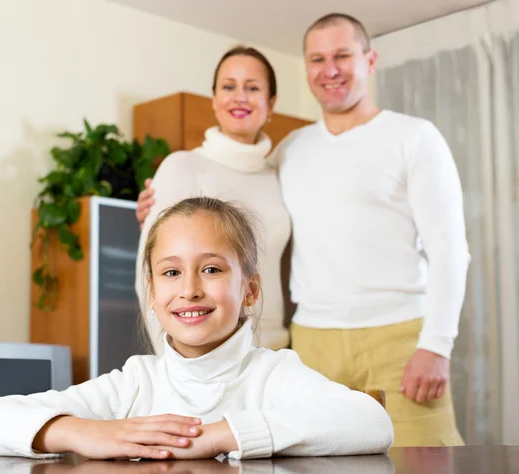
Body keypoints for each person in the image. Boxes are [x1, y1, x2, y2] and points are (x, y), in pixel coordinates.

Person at [136, 14, 470, 447]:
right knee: (315, 462)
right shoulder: (291, 149)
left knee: (422, 459)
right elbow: (226, 192)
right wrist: (154, 204)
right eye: (317, 59)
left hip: (399, 336)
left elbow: (449, 250)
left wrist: (437, 345)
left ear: (370, 60)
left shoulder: (414, 137)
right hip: (310, 344)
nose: (329, 69)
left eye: (342, 56)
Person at [0, 197, 394, 460]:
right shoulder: (134, 383)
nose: (189, 290)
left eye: (210, 269)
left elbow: (372, 422)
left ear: (250, 290)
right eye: (170, 273)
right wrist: (88, 432)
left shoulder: (273, 374)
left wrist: (220, 436)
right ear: (150, 292)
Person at [135, 45, 291, 355]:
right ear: (215, 100)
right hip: (206, 356)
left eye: (253, 87)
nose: (240, 97)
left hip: (274, 351)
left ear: (270, 103)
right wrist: (175, 365)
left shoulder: (278, 175)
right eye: (229, 86)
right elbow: (151, 276)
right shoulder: (182, 167)